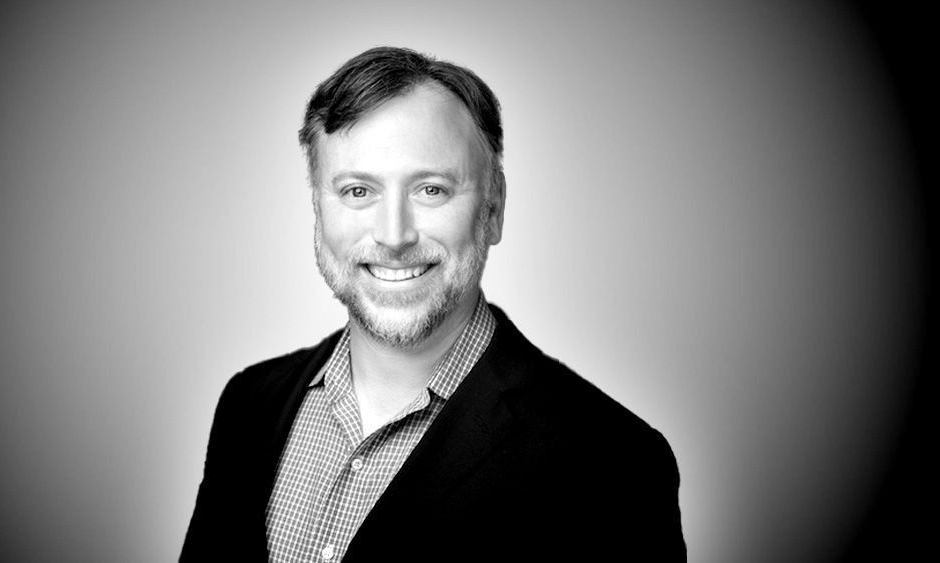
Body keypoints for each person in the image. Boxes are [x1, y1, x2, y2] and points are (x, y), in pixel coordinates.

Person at [181, 46, 685, 562]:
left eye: (431, 189)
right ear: (318, 210)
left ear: (492, 209)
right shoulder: (248, 405)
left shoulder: (614, 464)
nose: (394, 235)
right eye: (358, 191)